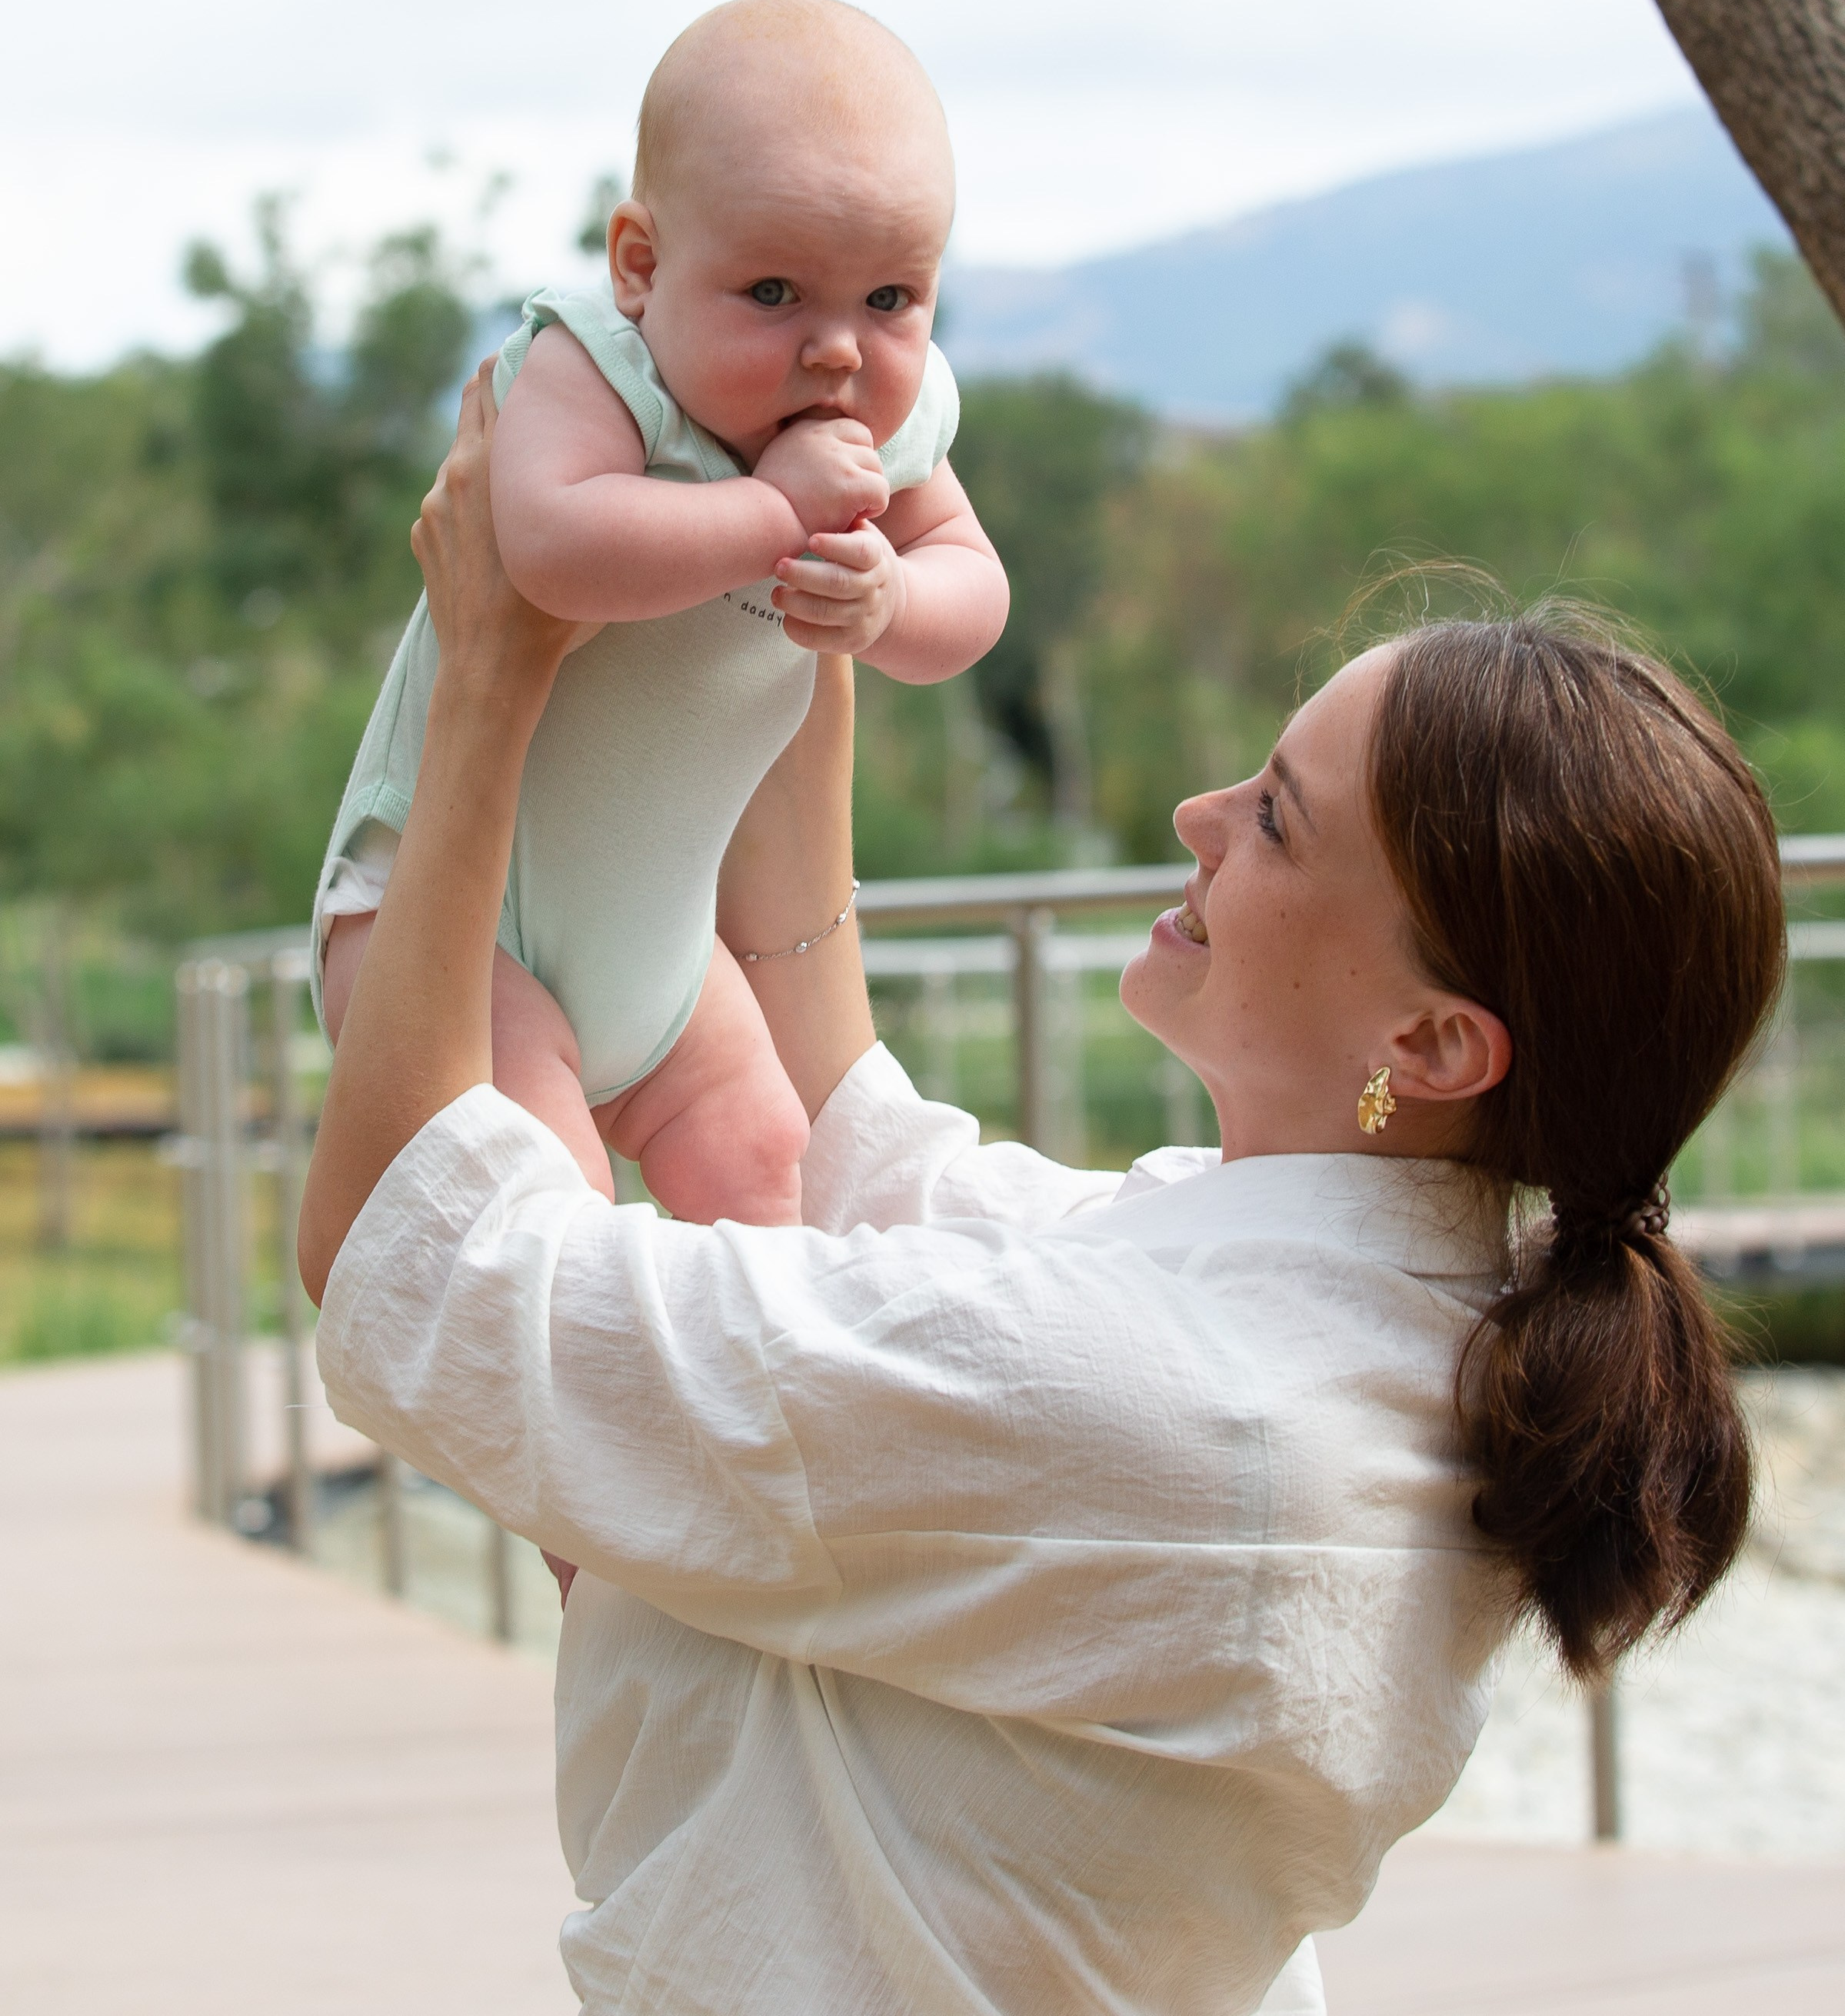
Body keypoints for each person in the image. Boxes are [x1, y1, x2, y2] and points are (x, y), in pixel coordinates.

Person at [300, 375, 1783, 2016]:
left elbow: (412, 1262)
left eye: (1278, 819)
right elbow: (840, 1101)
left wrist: (489, 678)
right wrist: (817, 544)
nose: (1199, 819)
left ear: (1429, 1040)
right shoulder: (1334, 1327)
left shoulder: (1180, 1412)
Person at [313, 0, 1008, 1224]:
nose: (839, 352)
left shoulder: (891, 431)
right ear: (641, 264)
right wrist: (774, 512)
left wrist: (893, 596)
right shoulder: (599, 374)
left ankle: (751, 1419)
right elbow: (549, 549)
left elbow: (972, 587)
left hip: (667, 956)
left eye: (892, 301)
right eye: (777, 291)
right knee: (545, 1210)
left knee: (764, 1166)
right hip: (458, 933)